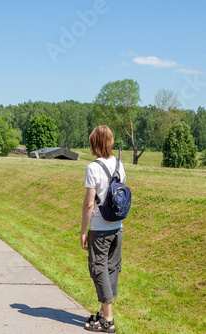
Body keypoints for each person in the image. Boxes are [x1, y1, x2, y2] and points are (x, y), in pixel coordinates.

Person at [81, 125, 126, 333]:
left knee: (98, 269)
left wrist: (84, 231)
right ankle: (102, 312)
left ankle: (108, 320)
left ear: (94, 143)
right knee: (111, 268)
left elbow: (90, 204)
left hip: (99, 228)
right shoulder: (119, 164)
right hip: (117, 227)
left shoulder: (93, 168)